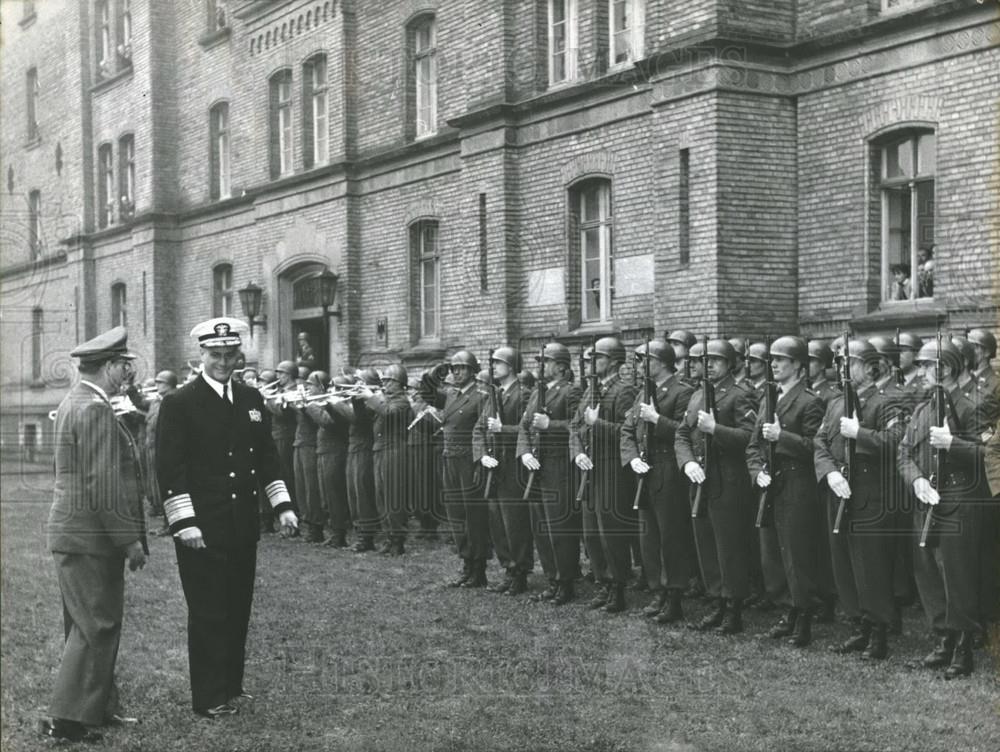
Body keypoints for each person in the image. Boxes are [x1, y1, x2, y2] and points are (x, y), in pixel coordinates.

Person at [157, 317, 298, 717]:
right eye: (215, 355)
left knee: (237, 605)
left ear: (239, 355)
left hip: (241, 524)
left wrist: (282, 505)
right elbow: (170, 468)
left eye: (230, 355)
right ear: (201, 355)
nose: (223, 362)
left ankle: (231, 685)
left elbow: (265, 456)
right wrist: (185, 523)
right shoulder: (180, 402)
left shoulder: (252, 399)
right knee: (208, 610)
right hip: (202, 525)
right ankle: (209, 696)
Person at [41, 327, 148, 743]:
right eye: (124, 366)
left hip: (76, 531)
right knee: (96, 625)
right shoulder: (95, 408)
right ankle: (68, 719)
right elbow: (103, 482)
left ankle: (99, 704)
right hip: (89, 535)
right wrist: (129, 540)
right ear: (108, 367)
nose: (127, 374)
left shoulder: (76, 401)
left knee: (85, 623)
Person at [898, 337, 991, 678]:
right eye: (920, 365)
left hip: (960, 501)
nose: (920, 372)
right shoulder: (924, 408)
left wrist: (955, 443)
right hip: (926, 500)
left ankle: (964, 647)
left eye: (926, 366)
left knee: (957, 574)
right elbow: (903, 451)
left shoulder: (974, 405)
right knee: (928, 573)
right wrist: (916, 480)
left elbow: (991, 455)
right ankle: (944, 639)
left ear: (947, 368)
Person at [815, 339, 908, 659]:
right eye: (841, 362)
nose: (843, 368)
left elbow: (897, 441)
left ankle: (879, 631)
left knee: (872, 565)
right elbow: (820, 442)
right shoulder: (838, 402)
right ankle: (860, 625)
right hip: (840, 489)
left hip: (872, 493)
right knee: (845, 562)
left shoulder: (888, 401)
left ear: (870, 366)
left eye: (849, 362)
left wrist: (860, 434)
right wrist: (829, 472)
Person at [745, 335, 826, 647]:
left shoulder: (810, 401)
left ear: (798, 365)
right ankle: (787, 610)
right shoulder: (769, 398)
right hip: (771, 484)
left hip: (797, 486)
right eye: (773, 360)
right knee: (772, 554)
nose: (775, 365)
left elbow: (814, 448)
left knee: (796, 555)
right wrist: (757, 472)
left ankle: (804, 617)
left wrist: (783, 437)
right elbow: (753, 446)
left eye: (781, 360)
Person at [675, 339, 756, 634]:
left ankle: (733, 608)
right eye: (706, 360)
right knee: (706, 543)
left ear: (730, 363)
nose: (709, 365)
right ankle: (717, 601)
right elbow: (682, 434)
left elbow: (750, 437)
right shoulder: (697, 395)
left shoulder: (739, 395)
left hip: (728, 480)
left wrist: (715, 430)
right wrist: (687, 463)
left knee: (728, 547)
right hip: (700, 479)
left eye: (716, 361)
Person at [621, 339, 694, 622]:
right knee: (649, 536)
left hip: (668, 469)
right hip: (645, 469)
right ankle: (659, 591)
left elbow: (685, 432)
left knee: (670, 535)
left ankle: (674, 595)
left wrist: (657, 419)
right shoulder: (644, 392)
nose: (639, 366)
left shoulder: (682, 392)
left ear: (661, 362)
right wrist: (632, 458)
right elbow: (627, 429)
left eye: (644, 360)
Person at [572, 336, 638, 613]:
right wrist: (578, 452)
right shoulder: (590, 391)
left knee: (611, 531)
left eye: (596, 358)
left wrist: (596, 424)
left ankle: (618, 587)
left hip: (612, 469)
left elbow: (627, 432)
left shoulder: (624, 391)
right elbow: (575, 427)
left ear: (612, 361)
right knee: (592, 532)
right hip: (590, 468)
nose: (590, 364)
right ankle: (603, 582)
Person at [516, 343, 582, 602]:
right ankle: (552, 579)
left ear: (562, 367)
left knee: (559, 527)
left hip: (559, 466)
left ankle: (566, 582)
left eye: (547, 361)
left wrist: (550, 425)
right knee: (541, 527)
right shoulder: (537, 393)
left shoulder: (572, 391)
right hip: (537, 465)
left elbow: (579, 426)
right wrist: (525, 452)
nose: (541, 366)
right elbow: (524, 426)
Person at [474, 346, 533, 595]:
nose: (494, 367)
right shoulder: (493, 395)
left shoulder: (524, 394)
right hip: (495, 465)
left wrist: (503, 429)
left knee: (514, 523)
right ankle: (508, 568)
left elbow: (527, 429)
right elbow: (478, 429)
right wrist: (482, 455)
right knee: (497, 521)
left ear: (511, 366)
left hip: (513, 466)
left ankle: (520, 572)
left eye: (499, 363)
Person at [362, 364, 413, 555]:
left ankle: (397, 540)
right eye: (384, 380)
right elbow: (363, 417)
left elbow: (389, 413)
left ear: (400, 384)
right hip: (380, 450)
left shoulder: (401, 402)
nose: (385, 384)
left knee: (393, 496)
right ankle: (388, 536)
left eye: (390, 381)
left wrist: (371, 397)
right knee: (381, 495)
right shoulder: (384, 400)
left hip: (394, 451)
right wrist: (360, 400)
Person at [145, 370, 178, 536]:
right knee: (158, 486)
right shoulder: (157, 401)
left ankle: (171, 524)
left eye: (161, 383)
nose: (157, 386)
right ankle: (166, 523)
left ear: (170, 384)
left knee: (168, 487)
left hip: (168, 449)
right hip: (153, 447)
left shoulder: (173, 399)